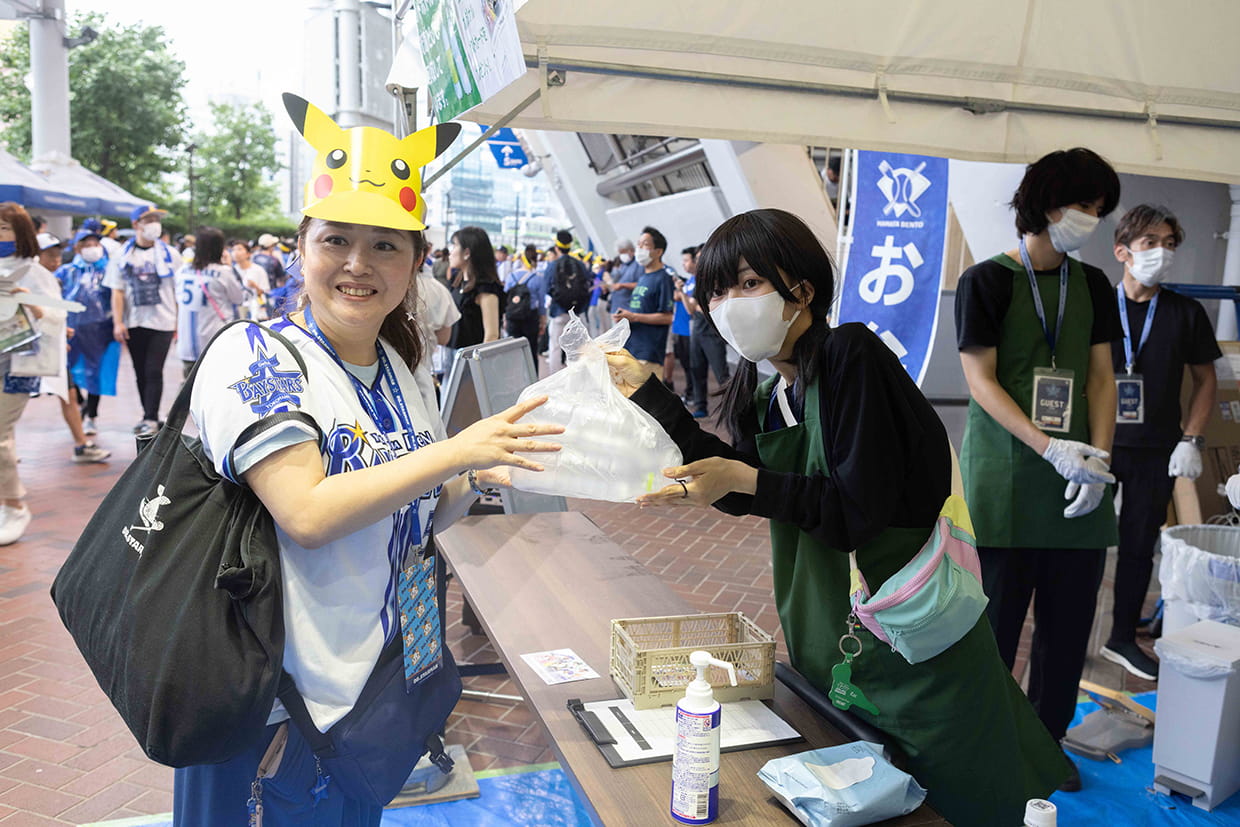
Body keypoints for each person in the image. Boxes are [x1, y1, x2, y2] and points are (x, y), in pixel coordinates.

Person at [605, 208, 1068, 826]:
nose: (729, 304)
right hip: (839, 647)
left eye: (747, 283)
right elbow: (747, 487)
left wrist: (743, 478)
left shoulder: (853, 356)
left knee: (960, 800)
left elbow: (855, 512)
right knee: (866, 802)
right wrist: (651, 394)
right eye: (717, 291)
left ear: (802, 289)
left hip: (916, 647)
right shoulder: (770, 392)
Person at [173, 93, 562, 823]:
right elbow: (308, 512)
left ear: (417, 260)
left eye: (385, 243)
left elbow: (408, 513)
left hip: (366, 709)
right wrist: (452, 451)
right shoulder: (254, 357)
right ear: (301, 246)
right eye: (336, 240)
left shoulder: (398, 366)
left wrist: (470, 477)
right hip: (271, 714)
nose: (359, 264)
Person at [955, 147, 1123, 792]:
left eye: (1099, 209)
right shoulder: (986, 281)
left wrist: (1095, 457)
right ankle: (993, 746)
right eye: (1083, 205)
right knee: (995, 628)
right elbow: (981, 381)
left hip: (1080, 480)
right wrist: (1049, 447)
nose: (1091, 218)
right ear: (1045, 203)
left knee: (1068, 624)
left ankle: (1047, 746)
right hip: (1006, 477)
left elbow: (1103, 379)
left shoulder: (1093, 286)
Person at [1103, 205, 1219, 681]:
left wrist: (1191, 438)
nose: (1162, 253)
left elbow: (1205, 380)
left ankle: (1122, 638)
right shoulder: (1096, 306)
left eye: (1170, 244)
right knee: (1083, 547)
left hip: (1157, 448)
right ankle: (1064, 627)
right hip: (1100, 445)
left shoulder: (1184, 312)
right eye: (1151, 242)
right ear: (1123, 251)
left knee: (1137, 546)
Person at [0, 203, 62, 543]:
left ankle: (14, 506)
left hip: (18, 364)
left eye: (5, 229)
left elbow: (57, 318)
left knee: (0, 434)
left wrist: (28, 301)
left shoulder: (35, 273)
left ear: (21, 233)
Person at [105, 204, 179, 436]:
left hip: (163, 321)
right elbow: (117, 290)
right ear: (136, 224)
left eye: (156, 219)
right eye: (149, 220)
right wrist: (118, 322)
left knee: (153, 370)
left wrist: (178, 322)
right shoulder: (121, 255)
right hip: (134, 321)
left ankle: (151, 418)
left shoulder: (171, 255)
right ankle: (148, 414)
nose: (154, 223)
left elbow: (178, 289)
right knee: (140, 371)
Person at [36, 233, 110, 464]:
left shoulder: (51, 279)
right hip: (24, 352)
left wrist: (60, 331)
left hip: (52, 344)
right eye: (49, 254)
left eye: (58, 254)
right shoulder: (31, 279)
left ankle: (81, 445)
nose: (55, 259)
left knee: (68, 395)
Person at [59, 228, 119, 437]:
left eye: (95, 244)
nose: (92, 248)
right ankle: (82, 405)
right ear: (77, 247)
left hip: (99, 330)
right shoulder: (67, 271)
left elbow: (118, 298)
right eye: (86, 244)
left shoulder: (108, 271)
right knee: (67, 370)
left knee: (96, 372)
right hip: (70, 330)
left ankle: (91, 415)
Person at [175, 227, 246, 377]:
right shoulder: (223, 272)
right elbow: (239, 298)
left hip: (187, 343)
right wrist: (229, 266)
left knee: (189, 389)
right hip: (214, 342)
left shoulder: (182, 270)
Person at [613, 226, 675, 379]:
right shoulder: (643, 278)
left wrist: (634, 317)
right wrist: (626, 316)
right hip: (632, 347)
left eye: (645, 245)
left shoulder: (663, 278)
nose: (639, 248)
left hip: (649, 352)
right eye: (638, 244)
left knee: (644, 401)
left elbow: (667, 317)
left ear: (658, 252)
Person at [684, 243, 731, 418]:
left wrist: (698, 306)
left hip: (711, 334)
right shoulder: (700, 281)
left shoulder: (718, 281)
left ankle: (734, 407)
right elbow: (692, 307)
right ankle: (700, 406)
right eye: (697, 259)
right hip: (697, 332)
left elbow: (709, 308)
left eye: (700, 258)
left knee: (721, 373)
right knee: (697, 370)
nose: (698, 261)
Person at [447, 226, 503, 352]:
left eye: (454, 246)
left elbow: (492, 335)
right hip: (452, 355)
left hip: (472, 361)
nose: (450, 252)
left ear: (467, 253)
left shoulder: (485, 288)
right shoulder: (457, 281)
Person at [544, 231, 592, 371]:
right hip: (577, 313)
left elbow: (546, 288)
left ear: (557, 247)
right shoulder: (579, 264)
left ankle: (555, 379)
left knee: (555, 347)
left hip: (559, 312)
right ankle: (577, 378)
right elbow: (587, 285)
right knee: (577, 348)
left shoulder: (553, 265)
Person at [502, 248, 546, 375]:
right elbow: (542, 303)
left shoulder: (511, 277)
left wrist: (505, 318)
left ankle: (512, 380)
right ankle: (532, 381)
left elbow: (506, 300)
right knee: (531, 350)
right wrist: (542, 322)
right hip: (530, 318)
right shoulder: (538, 279)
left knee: (512, 351)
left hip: (512, 318)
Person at [230, 239, 271, 320]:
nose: (236, 252)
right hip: (239, 311)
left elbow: (265, 292)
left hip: (256, 311)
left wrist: (255, 286)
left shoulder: (258, 270)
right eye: (233, 250)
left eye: (239, 249)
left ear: (248, 254)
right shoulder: (231, 271)